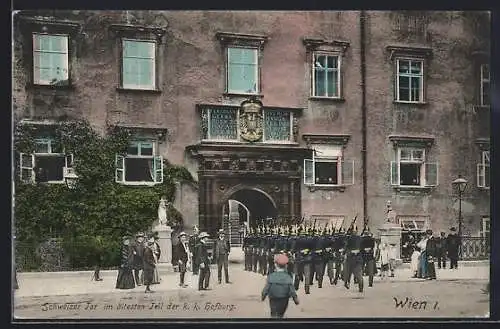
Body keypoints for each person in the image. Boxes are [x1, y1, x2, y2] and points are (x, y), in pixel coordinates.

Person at [261, 253, 299, 319]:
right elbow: (292, 290)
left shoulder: (271, 276)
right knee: (281, 314)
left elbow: (266, 288)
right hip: (284, 299)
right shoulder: (288, 277)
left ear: (275, 265)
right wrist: (295, 299)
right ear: (286, 266)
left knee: (273, 312)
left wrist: (263, 296)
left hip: (273, 299)